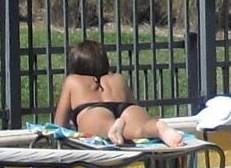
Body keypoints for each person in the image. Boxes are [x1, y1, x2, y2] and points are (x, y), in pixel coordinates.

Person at [53, 39, 188, 148]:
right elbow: (134, 105)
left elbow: (59, 124)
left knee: (105, 126)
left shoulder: (73, 81)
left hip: (92, 111)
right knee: (140, 129)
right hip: (126, 108)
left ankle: (112, 127)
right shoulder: (118, 78)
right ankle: (156, 127)